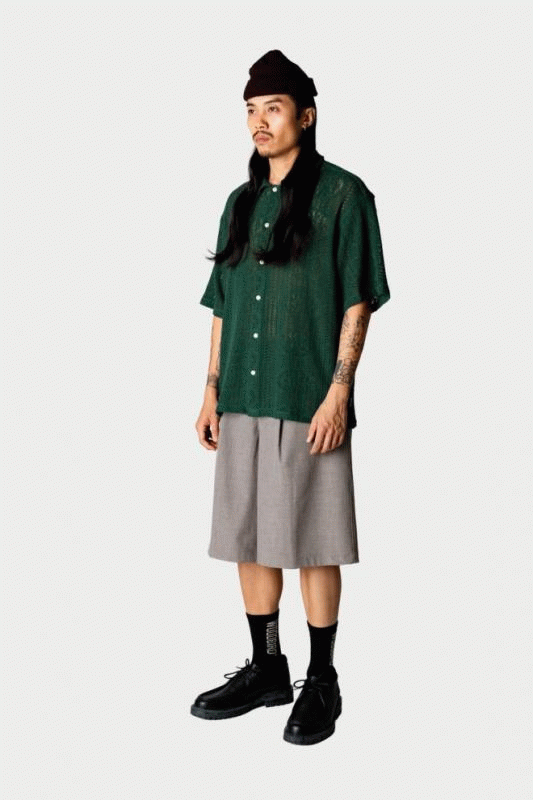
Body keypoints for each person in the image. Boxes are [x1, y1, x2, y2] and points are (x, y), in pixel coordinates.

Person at [191, 50, 391, 745]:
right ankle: (266, 667)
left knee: (313, 539)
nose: (259, 122)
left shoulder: (343, 196)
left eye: (272, 108)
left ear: (304, 116)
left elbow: (358, 299)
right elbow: (222, 305)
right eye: (251, 110)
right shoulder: (239, 203)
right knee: (247, 534)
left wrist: (339, 393)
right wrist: (210, 391)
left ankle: (322, 679)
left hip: (307, 395)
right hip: (242, 393)